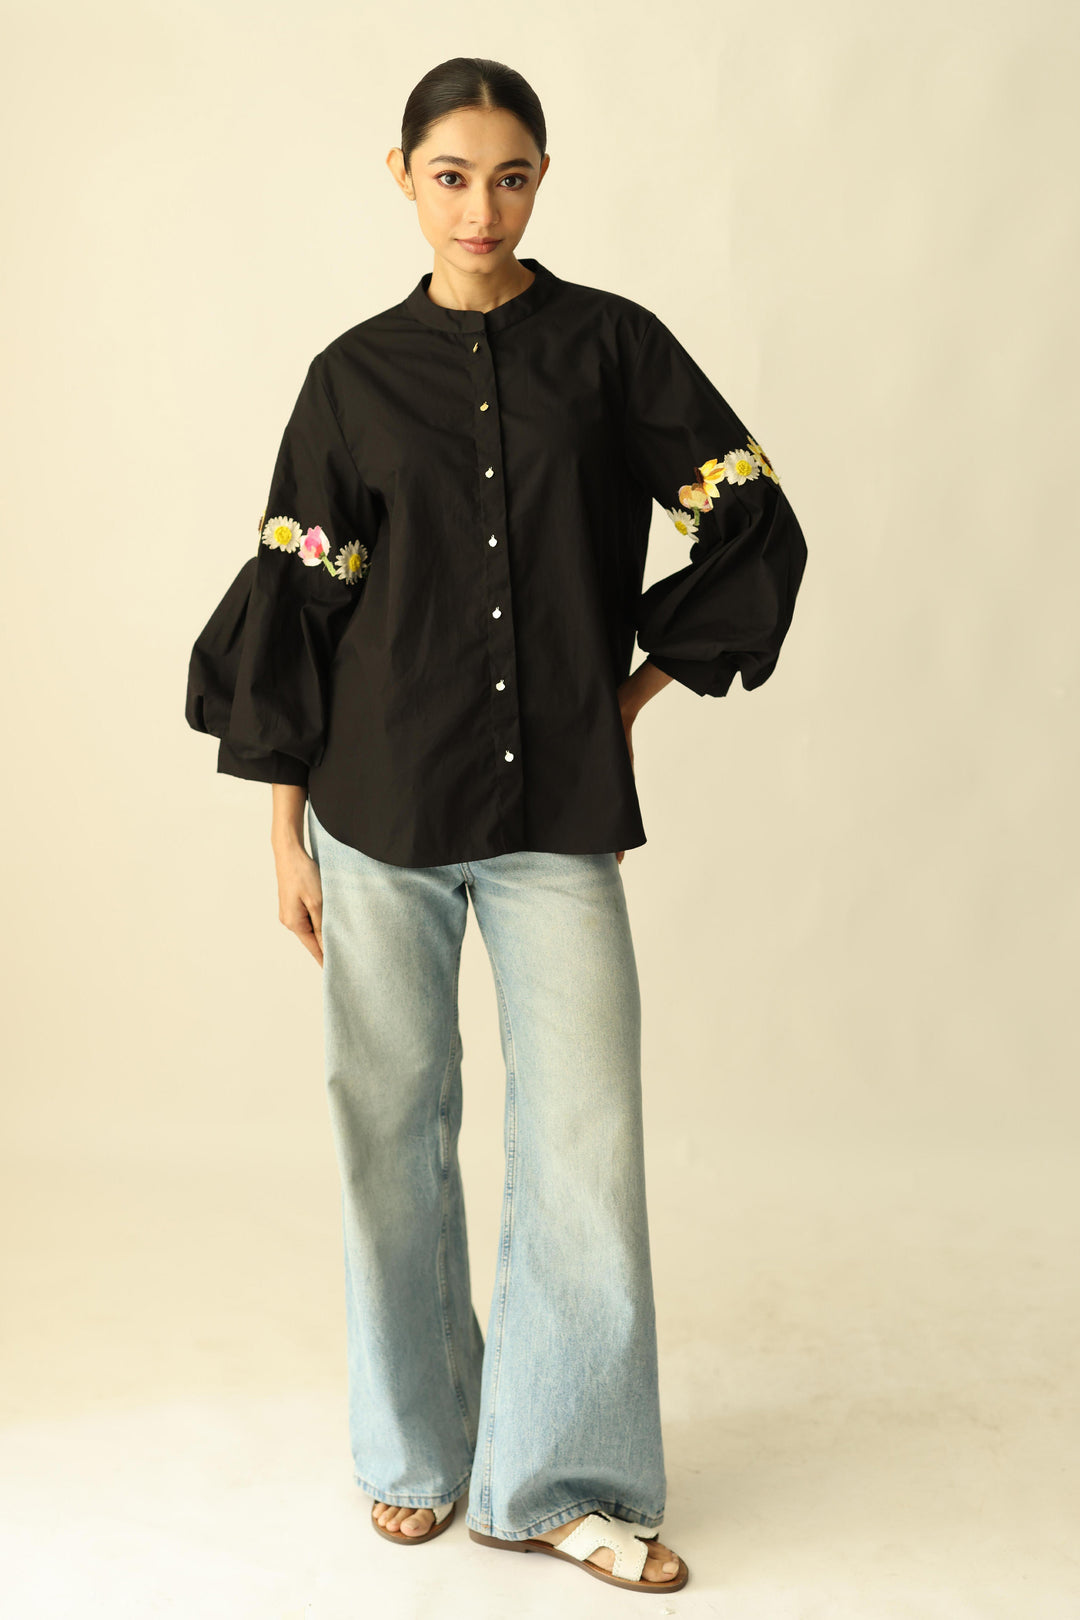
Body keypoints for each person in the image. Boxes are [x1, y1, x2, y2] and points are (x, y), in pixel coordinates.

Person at [184, 56, 807, 1597]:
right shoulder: (351, 378)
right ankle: (415, 1453)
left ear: (543, 178)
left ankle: (557, 1480)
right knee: (389, 1135)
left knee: (584, 1143)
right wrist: (283, 835)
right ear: (402, 175)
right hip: (375, 810)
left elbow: (751, 522)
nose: (482, 206)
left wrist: (632, 692)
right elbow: (299, 607)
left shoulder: (612, 349)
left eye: (511, 175)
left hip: (553, 815)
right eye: (453, 175)